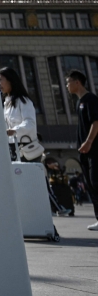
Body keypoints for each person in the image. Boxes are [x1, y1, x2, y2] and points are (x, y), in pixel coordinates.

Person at [67, 69, 98, 232]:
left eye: (68, 82)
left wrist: (89, 141)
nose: (66, 85)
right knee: (91, 185)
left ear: (77, 82)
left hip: (94, 149)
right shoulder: (79, 103)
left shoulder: (90, 100)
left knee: (96, 182)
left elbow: (96, 122)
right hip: (85, 151)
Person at [0, 67, 37, 157]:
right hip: (11, 147)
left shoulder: (23, 101)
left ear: (10, 80)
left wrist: (14, 130)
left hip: (25, 146)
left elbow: (30, 123)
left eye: (0, 80)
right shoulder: (6, 103)